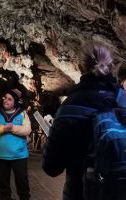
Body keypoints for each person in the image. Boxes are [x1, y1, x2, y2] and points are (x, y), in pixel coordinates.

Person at [42, 42, 117, 200]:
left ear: (80, 67)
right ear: (111, 66)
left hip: (79, 191)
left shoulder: (69, 107)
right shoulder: (121, 102)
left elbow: (51, 167)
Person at [0, 88, 32, 200]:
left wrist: (12, 128)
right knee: (3, 183)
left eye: (9, 99)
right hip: (0, 155)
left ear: (15, 102)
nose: (5, 101)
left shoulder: (22, 113)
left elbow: (27, 129)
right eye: (5, 98)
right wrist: (3, 128)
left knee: (22, 182)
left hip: (19, 156)